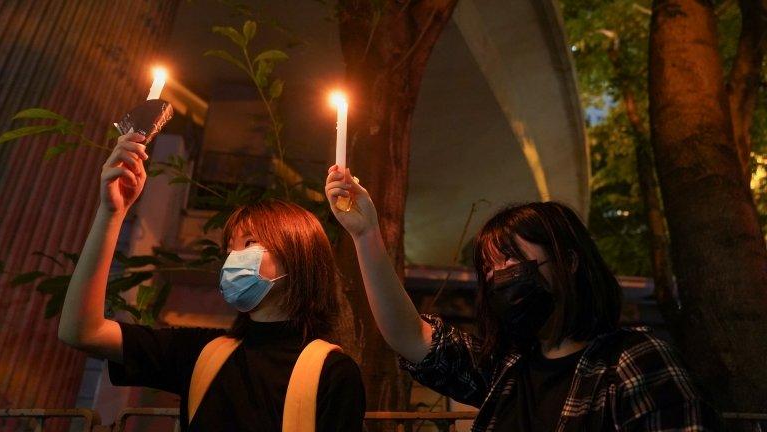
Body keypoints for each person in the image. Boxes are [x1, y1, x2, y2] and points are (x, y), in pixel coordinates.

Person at [325, 165, 721, 431]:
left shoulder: (632, 362)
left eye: (512, 258)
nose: (500, 277)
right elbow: (409, 336)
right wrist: (365, 234)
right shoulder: (507, 369)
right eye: (489, 269)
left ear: (567, 261)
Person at [58, 133, 365, 432]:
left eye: (249, 243)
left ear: (298, 258)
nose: (233, 258)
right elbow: (82, 331)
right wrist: (112, 213)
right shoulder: (202, 352)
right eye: (229, 248)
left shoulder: (333, 373)